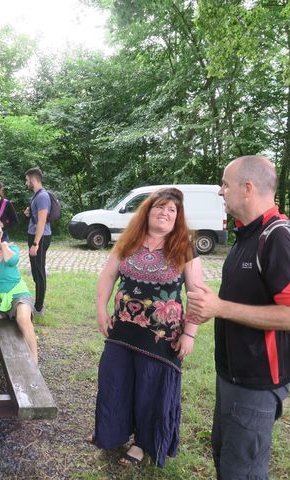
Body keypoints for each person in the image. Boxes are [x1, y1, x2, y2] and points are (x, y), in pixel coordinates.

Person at [186, 155, 290, 480]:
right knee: (226, 460)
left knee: (243, 471)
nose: (221, 191)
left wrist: (219, 308)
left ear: (248, 188)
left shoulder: (279, 238)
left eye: (225, 184)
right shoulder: (246, 236)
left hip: (256, 383)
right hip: (231, 375)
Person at [89, 187, 203, 468]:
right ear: (148, 211)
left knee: (151, 390)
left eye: (171, 210)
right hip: (122, 331)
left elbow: (198, 294)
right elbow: (107, 277)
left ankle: (143, 443)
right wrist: (101, 311)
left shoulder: (183, 247)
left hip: (162, 339)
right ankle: (112, 431)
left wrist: (189, 333)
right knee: (115, 382)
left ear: (177, 218)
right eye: (159, 207)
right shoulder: (128, 241)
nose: (165, 213)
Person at [0, 219, 38, 364]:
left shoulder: (12, 248)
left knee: (23, 319)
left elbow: (11, 261)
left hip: (18, 294)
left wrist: (4, 247)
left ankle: (34, 359)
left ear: (1, 233)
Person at [23, 167, 51, 315]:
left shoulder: (42, 196)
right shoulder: (37, 196)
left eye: (27, 180)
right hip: (34, 236)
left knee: (39, 271)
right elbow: (36, 217)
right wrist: (29, 212)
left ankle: (39, 308)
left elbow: (41, 222)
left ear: (33, 180)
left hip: (40, 238)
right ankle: (38, 302)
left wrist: (35, 243)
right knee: (35, 271)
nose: (26, 183)